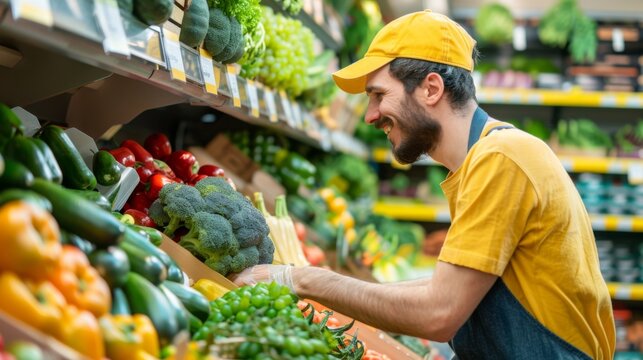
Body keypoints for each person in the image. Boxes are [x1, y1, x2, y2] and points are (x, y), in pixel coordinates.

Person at [233, 9, 615, 359]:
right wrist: (319, 285)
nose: (370, 116)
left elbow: (439, 314)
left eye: (379, 95)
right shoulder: (486, 157)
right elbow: (447, 290)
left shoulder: (501, 159)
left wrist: (301, 278)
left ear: (431, 89)